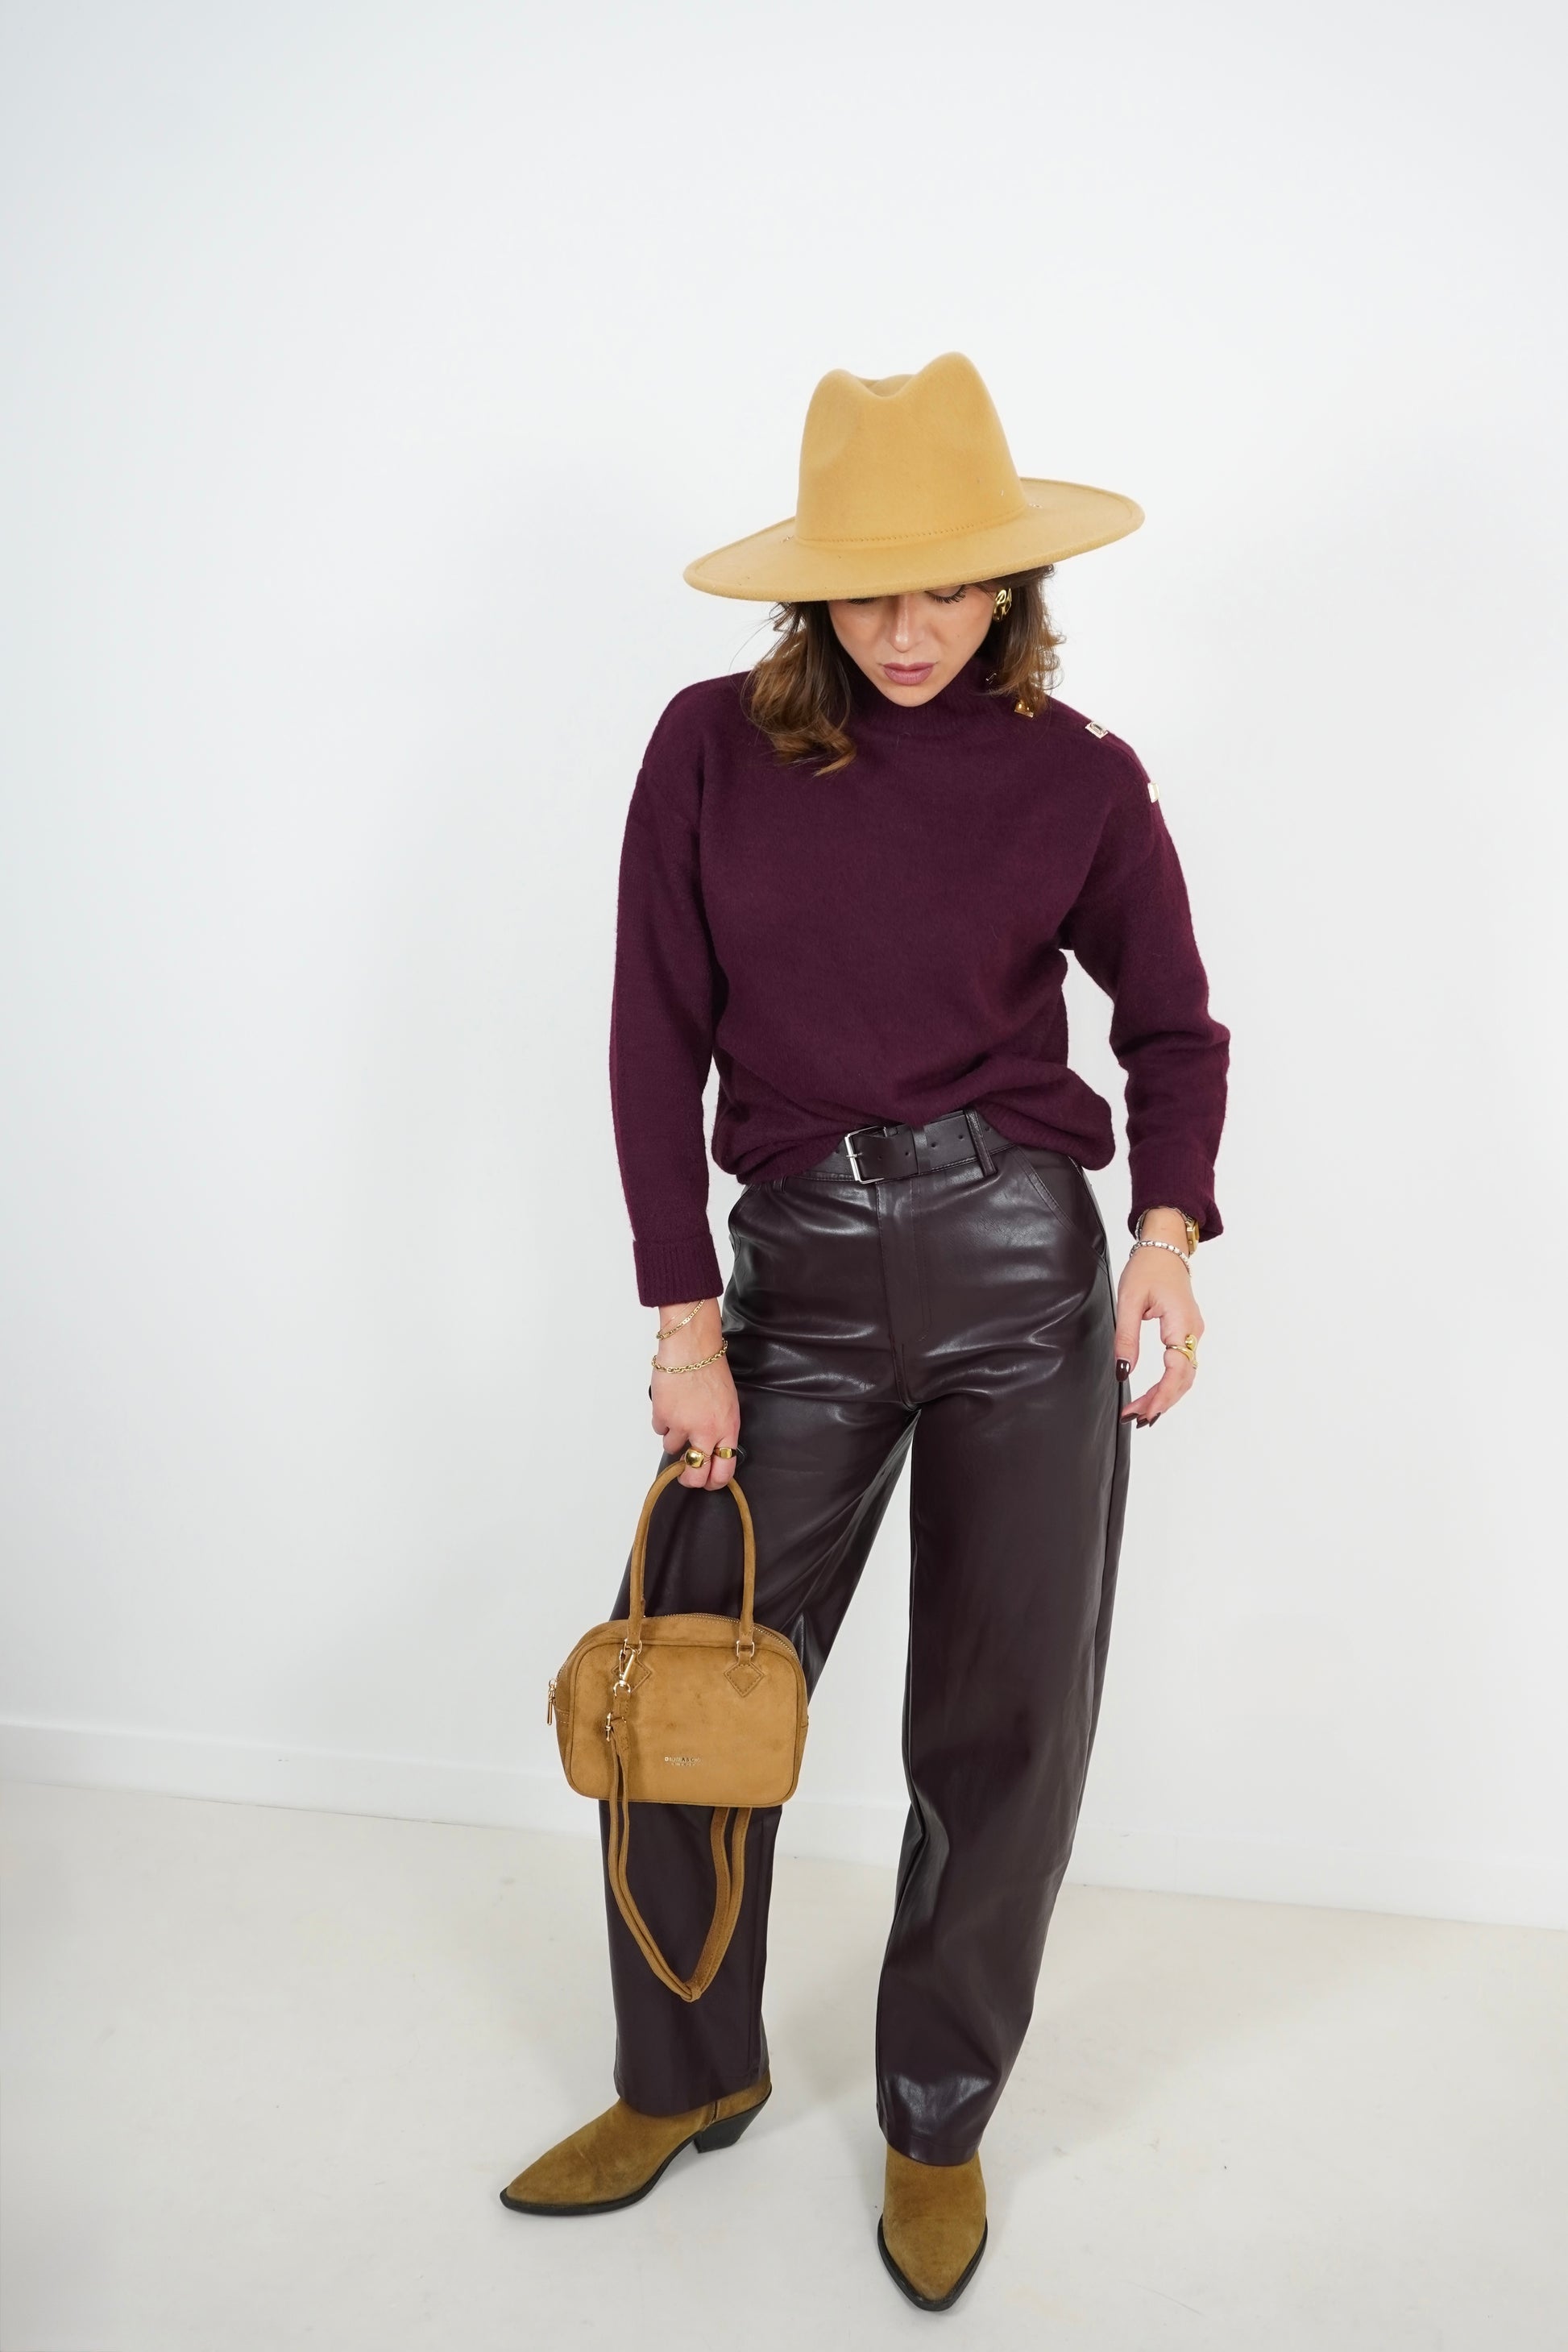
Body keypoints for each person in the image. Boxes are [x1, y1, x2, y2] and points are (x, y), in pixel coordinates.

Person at [500, 352, 1228, 2312]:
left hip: (1020, 1271)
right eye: (872, 591)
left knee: (1001, 1725)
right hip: (795, 1285)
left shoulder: (1079, 776)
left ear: (1010, 585)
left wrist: (1164, 1232)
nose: (912, 631)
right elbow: (651, 1040)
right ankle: (685, 2072)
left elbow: (1173, 1024)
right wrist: (684, 1320)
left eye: (953, 588)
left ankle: (934, 2114)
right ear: (810, 591)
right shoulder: (708, 748)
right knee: (683, 1678)